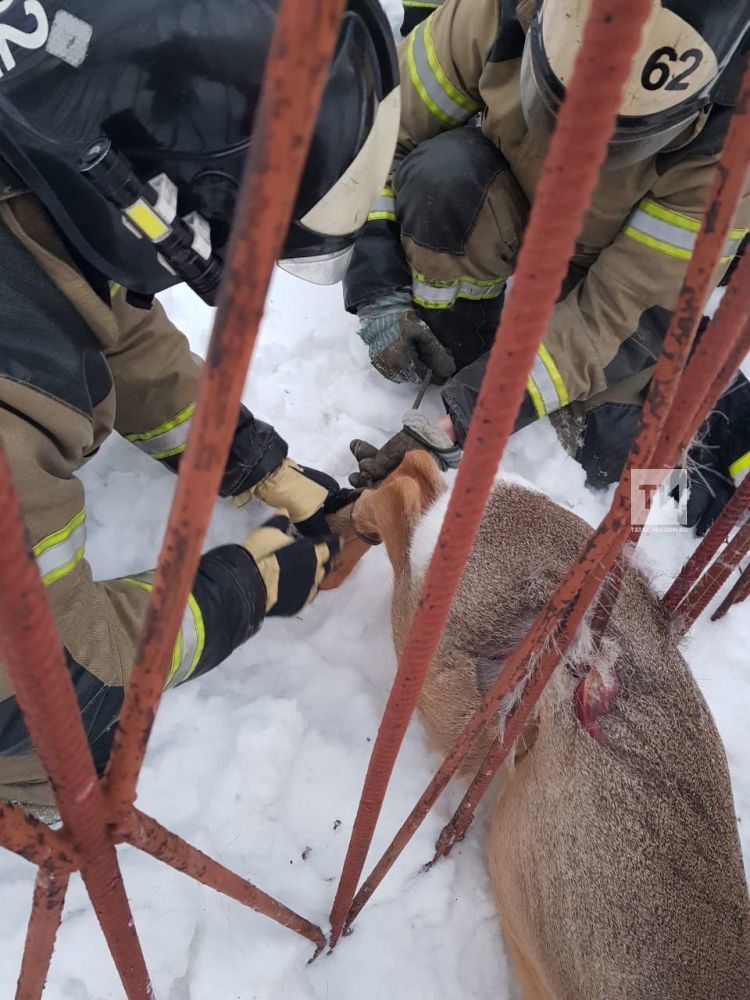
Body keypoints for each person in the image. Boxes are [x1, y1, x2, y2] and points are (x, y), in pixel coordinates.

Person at [0, 0, 399, 810]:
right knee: (61, 758)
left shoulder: (32, 176)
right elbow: (65, 680)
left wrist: (256, 461)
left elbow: (115, 325)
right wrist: (240, 590)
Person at [345, 0, 750, 533]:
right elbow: (378, 127)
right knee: (442, 179)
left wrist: (468, 414)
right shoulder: (498, 12)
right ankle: (460, 339)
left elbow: (612, 312)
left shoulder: (727, 144)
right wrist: (380, 286)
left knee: (608, 445)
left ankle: (707, 386)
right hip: (508, 189)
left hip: (617, 270)